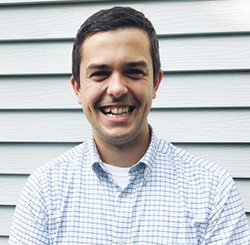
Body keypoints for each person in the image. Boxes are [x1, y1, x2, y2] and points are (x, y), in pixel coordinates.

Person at [9, 6, 250, 244]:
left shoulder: (213, 191)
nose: (116, 89)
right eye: (100, 74)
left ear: (155, 83)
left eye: (133, 71)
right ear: (78, 89)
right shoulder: (43, 192)